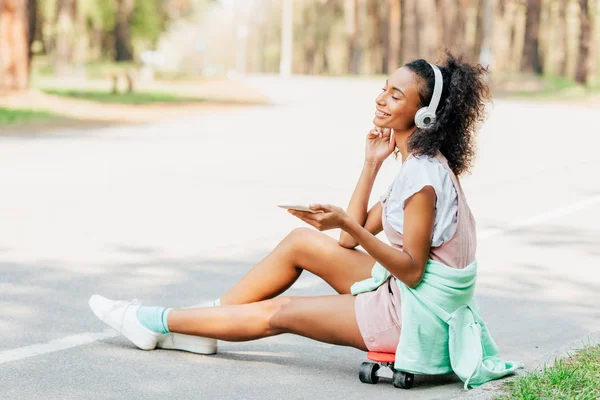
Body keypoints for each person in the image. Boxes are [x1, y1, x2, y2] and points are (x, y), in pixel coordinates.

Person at [89, 52, 522, 388]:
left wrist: (347, 226)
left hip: (414, 316)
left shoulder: (423, 180)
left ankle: (153, 320)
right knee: (300, 240)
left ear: (425, 114)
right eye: (384, 88)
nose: (380, 98)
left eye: (395, 95)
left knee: (281, 311)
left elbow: (408, 269)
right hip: (414, 296)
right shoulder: (416, 165)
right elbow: (351, 242)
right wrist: (370, 165)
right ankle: (207, 324)